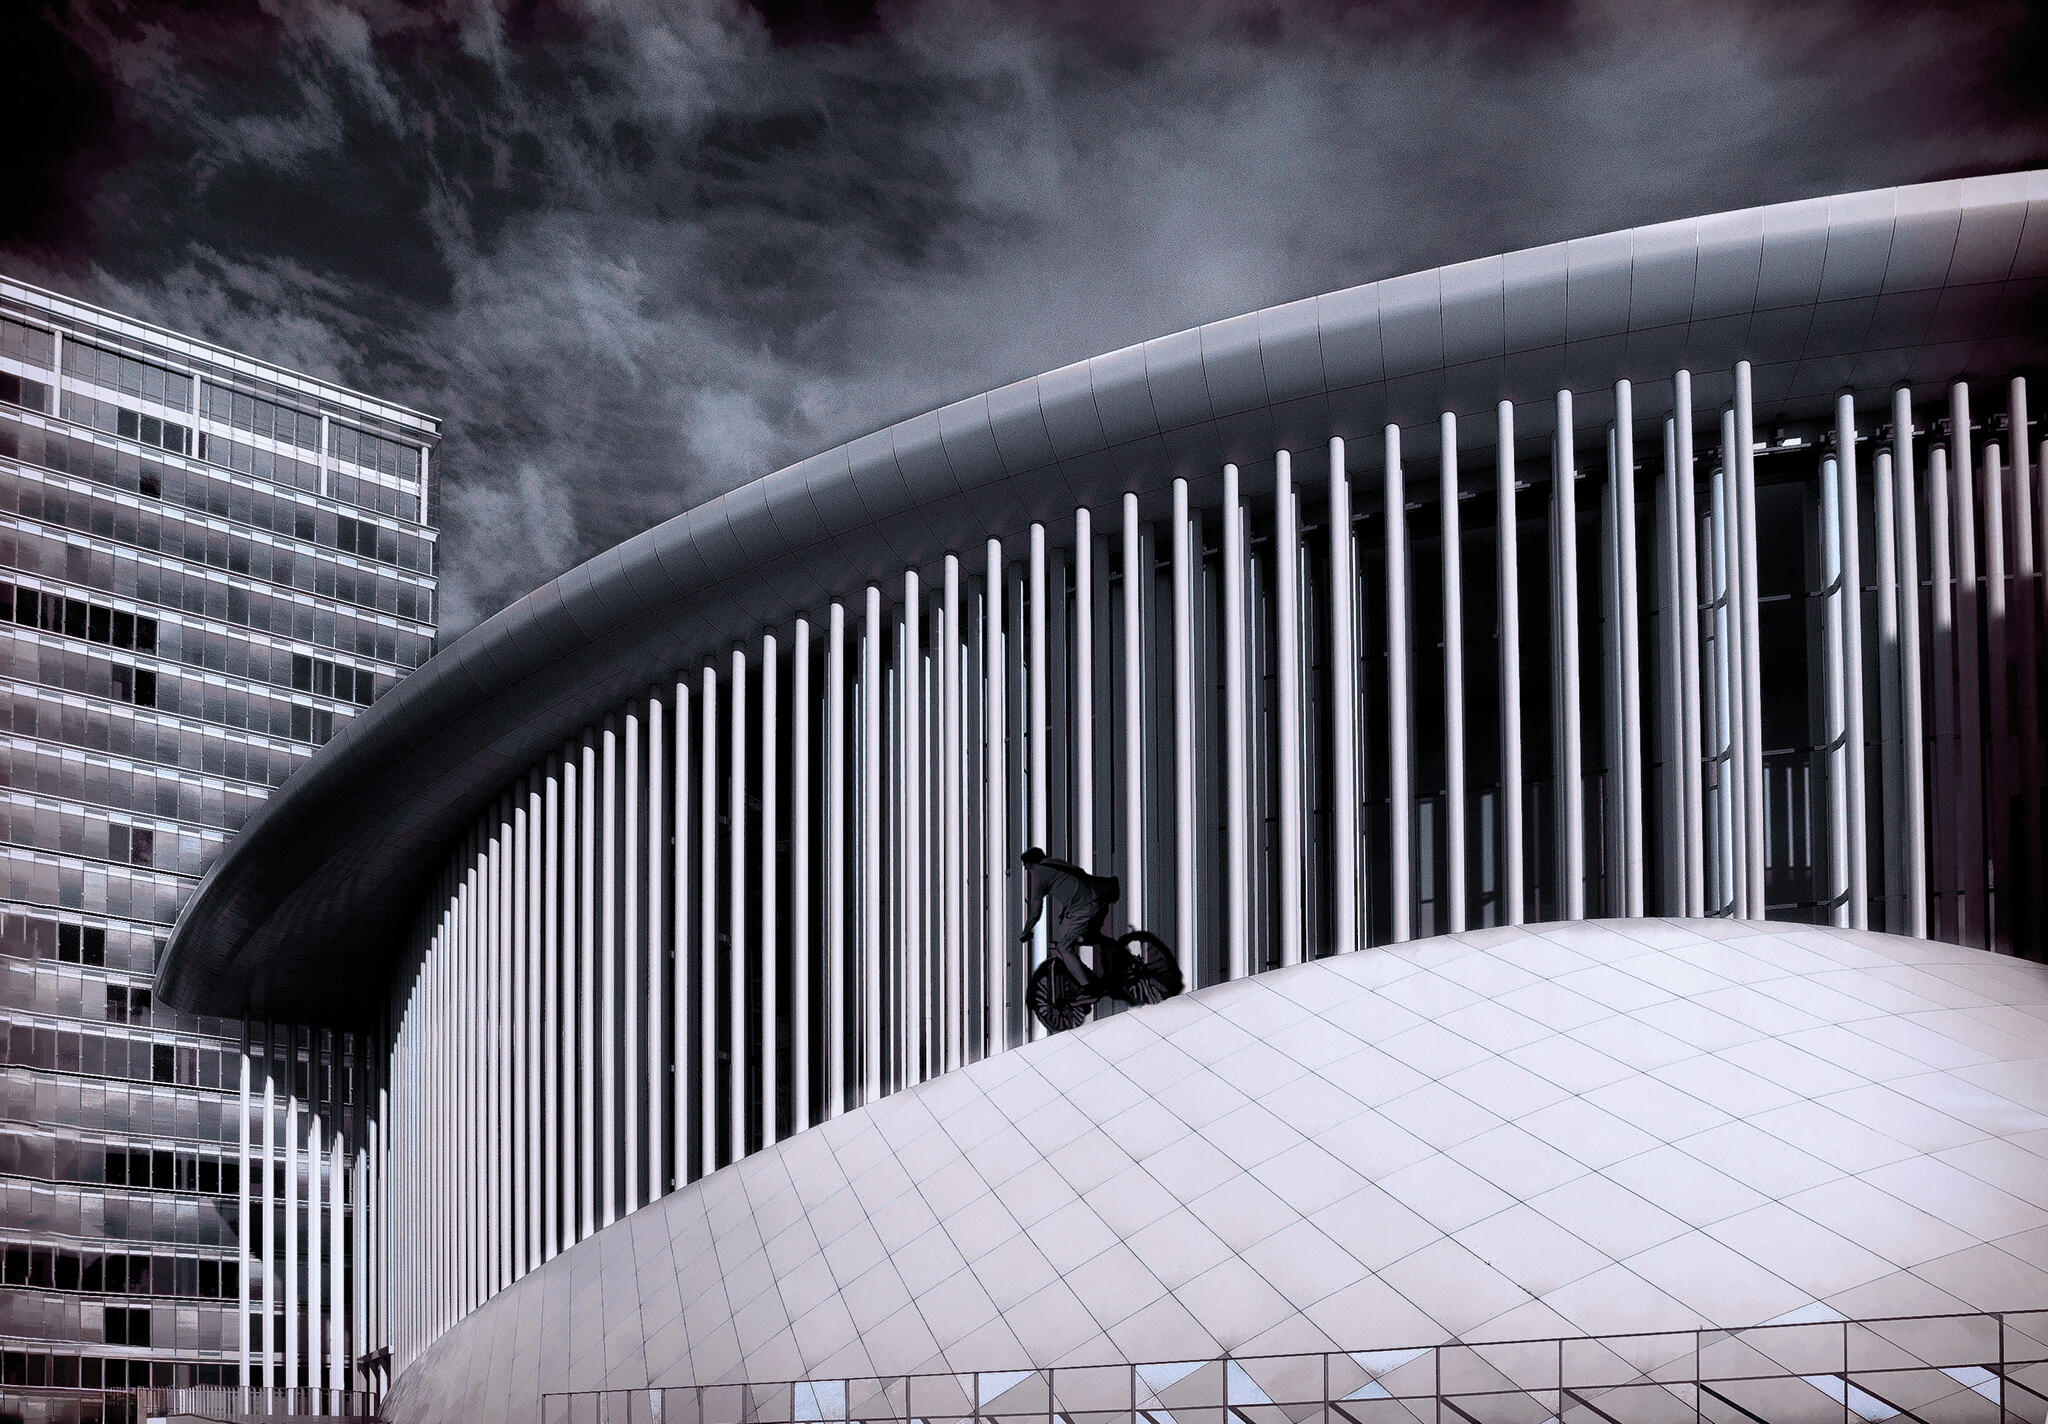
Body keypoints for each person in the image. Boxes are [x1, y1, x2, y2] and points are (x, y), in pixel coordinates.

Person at [1018, 847, 1120, 993]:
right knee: (1087, 937)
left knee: (1063, 947)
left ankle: (1087, 986)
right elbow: (1074, 884)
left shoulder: (1039, 875)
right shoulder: (1057, 863)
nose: (1028, 871)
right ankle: (1119, 955)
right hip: (1098, 901)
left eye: (1027, 868)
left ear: (1030, 864)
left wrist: (1025, 932)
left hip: (1083, 908)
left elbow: (1035, 913)